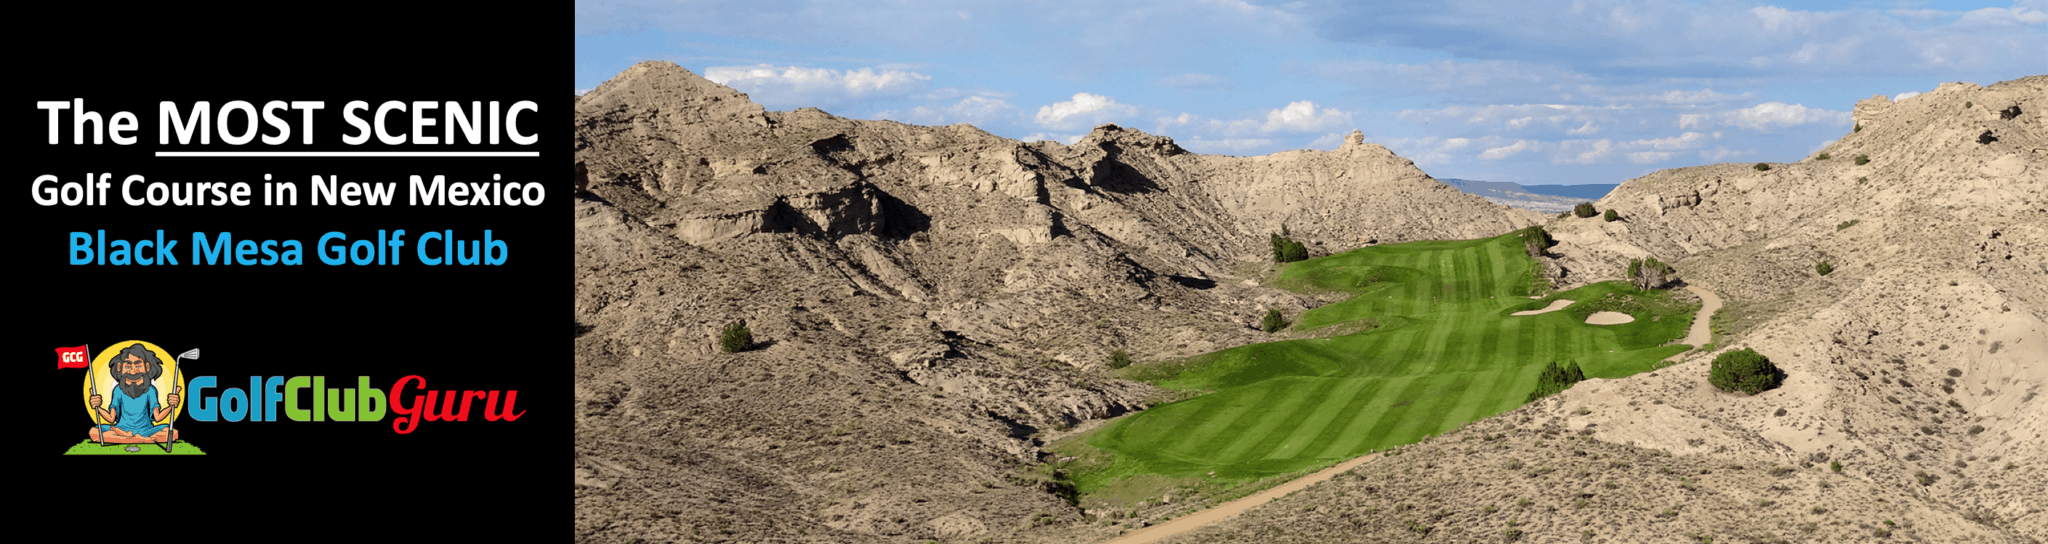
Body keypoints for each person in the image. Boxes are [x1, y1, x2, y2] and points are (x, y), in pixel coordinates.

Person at [88, 344, 180, 444]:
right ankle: (142, 440)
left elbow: (157, 417)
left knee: (172, 432)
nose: (133, 371)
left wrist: (171, 405)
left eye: (138, 365)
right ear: (119, 367)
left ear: (147, 367)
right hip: (121, 430)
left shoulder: (151, 390)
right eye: (128, 366)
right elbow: (111, 418)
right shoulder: (118, 390)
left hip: (146, 431)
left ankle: (132, 439)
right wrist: (97, 406)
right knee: (94, 432)